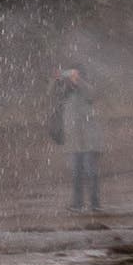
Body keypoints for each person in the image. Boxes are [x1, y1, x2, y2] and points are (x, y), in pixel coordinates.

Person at [50, 65, 102, 212]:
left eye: (75, 75)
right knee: (76, 173)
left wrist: (79, 80)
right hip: (72, 140)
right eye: (70, 76)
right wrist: (57, 79)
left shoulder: (85, 91)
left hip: (89, 140)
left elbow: (92, 94)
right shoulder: (63, 93)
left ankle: (95, 204)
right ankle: (77, 204)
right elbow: (51, 94)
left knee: (90, 171)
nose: (72, 79)